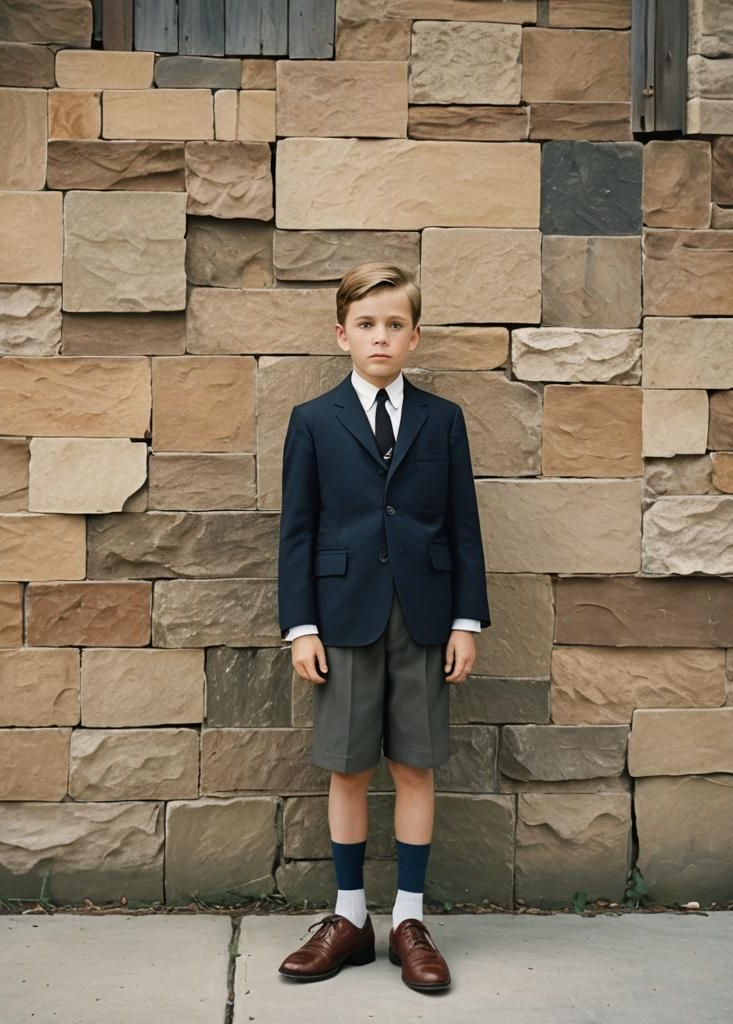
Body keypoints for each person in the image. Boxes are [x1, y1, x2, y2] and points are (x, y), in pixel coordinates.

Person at [275, 262, 491, 993]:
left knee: (415, 764)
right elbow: (297, 533)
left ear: (414, 336)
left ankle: (407, 920)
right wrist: (301, 625)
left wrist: (467, 620)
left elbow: (463, 526)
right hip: (341, 619)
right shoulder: (312, 421)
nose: (381, 336)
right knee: (347, 763)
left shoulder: (442, 420)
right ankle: (347, 918)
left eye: (394, 324)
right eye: (366, 324)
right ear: (342, 335)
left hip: (426, 619)